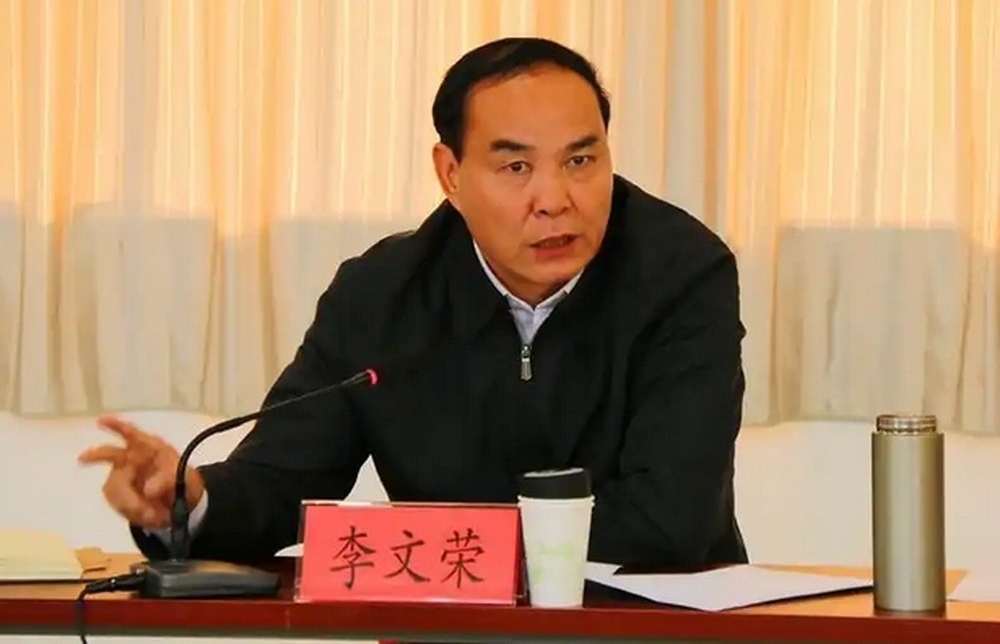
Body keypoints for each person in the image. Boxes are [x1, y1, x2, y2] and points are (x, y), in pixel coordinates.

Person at [79, 37, 748, 568]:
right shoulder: (382, 295)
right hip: (454, 627)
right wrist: (190, 499)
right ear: (450, 174)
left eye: (581, 161)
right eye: (516, 167)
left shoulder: (682, 275)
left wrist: (423, 546)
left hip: (642, 624)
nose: (554, 198)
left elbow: (671, 519)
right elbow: (282, 479)